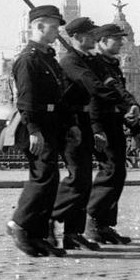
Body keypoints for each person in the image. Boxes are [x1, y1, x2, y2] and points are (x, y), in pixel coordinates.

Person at [6, 5, 80, 258]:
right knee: (43, 177)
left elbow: (60, 96)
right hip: (37, 125)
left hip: (53, 122)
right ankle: (19, 223)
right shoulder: (28, 59)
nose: (58, 30)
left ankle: (36, 235)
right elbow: (25, 100)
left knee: (49, 180)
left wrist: (70, 124)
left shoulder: (48, 58)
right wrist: (34, 130)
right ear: (39, 26)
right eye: (54, 25)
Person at [49, 17, 121, 251]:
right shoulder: (71, 61)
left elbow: (106, 82)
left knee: (85, 180)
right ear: (79, 37)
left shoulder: (87, 59)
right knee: (77, 177)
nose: (95, 37)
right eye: (91, 34)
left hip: (85, 120)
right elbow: (92, 85)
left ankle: (73, 233)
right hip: (71, 123)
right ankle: (49, 217)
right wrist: (119, 100)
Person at [83, 23, 140, 245]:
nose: (121, 42)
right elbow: (94, 99)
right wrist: (97, 128)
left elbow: (120, 98)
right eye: (116, 38)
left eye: (121, 38)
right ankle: (91, 221)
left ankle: (103, 224)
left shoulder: (112, 66)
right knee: (110, 171)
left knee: (118, 173)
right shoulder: (95, 65)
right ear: (101, 41)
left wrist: (135, 128)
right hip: (101, 125)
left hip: (115, 123)